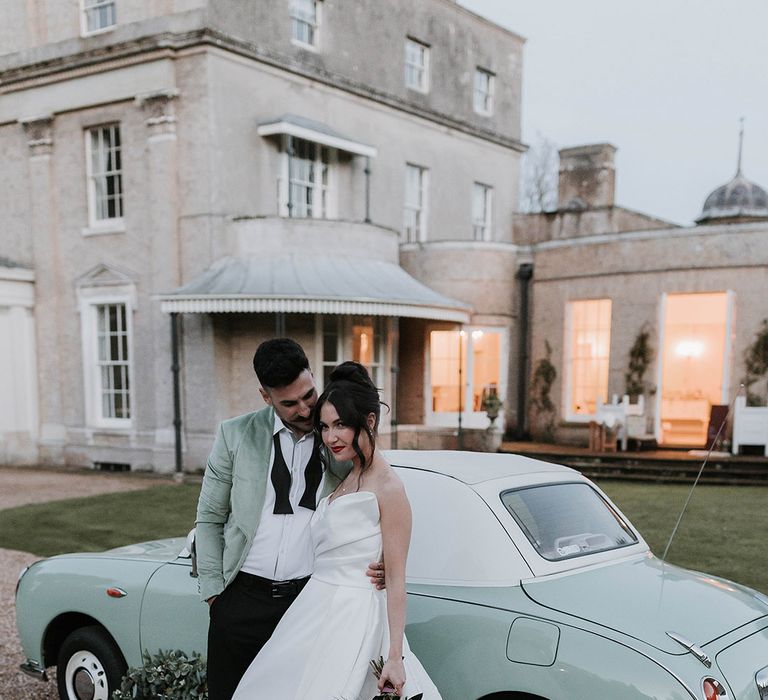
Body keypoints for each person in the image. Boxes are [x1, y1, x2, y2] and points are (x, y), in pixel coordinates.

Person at [232, 361, 443, 700]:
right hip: (313, 610)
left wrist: (394, 657)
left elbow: (398, 581)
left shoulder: (390, 488)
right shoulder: (346, 475)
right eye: (325, 426)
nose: (330, 437)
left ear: (369, 421)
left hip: (355, 616)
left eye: (341, 425)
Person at [195, 339, 385, 700]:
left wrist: (386, 558)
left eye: (308, 395)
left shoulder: (340, 437)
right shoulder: (234, 435)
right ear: (266, 397)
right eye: (289, 403)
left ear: (313, 376)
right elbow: (209, 518)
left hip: (310, 602)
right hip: (240, 600)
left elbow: (379, 498)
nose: (304, 409)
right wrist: (214, 595)